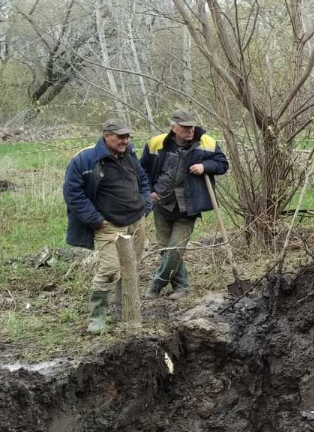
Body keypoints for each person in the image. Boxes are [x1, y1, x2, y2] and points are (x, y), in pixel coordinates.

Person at [64, 118, 151, 334]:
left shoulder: (129, 154)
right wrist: (95, 220)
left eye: (127, 136)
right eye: (120, 136)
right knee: (111, 269)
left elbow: (143, 180)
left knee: (130, 269)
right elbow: (73, 195)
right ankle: (98, 317)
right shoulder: (85, 159)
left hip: (136, 221)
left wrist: (146, 203)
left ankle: (126, 313)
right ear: (106, 135)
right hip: (109, 225)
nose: (125, 140)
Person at [140, 108, 229, 299]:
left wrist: (205, 166)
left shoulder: (207, 143)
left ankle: (156, 284)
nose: (190, 131)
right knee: (165, 249)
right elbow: (143, 170)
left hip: (187, 206)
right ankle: (182, 286)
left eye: (192, 127)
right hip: (161, 203)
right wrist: (149, 191)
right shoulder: (156, 143)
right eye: (185, 127)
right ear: (173, 128)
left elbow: (223, 164)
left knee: (174, 249)